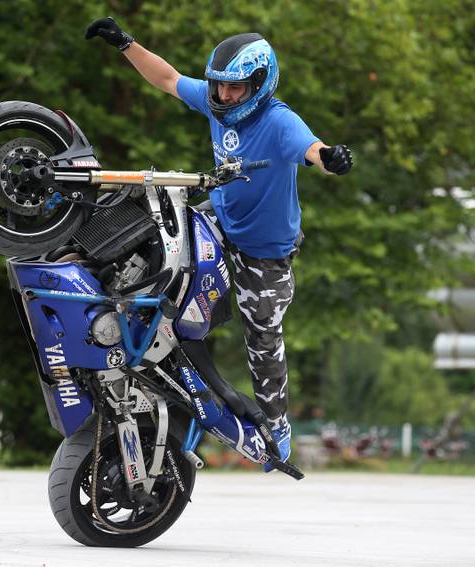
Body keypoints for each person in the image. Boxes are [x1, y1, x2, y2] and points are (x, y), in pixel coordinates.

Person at [85, 17, 353, 471]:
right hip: (218, 220)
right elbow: (167, 78)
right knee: (157, 231)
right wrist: (125, 44)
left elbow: (313, 150)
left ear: (260, 85)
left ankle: (276, 424)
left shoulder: (279, 121)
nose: (224, 96)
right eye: (219, 86)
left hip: (264, 254)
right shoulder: (215, 104)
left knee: (262, 333)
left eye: (235, 89)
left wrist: (331, 159)